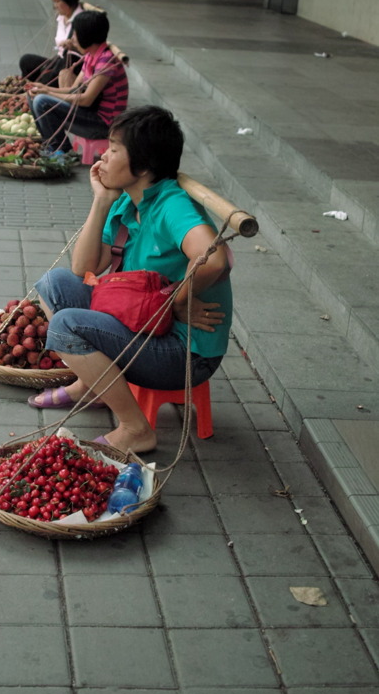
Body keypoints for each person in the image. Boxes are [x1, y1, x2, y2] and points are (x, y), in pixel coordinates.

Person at [30, 105, 231, 454]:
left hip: (184, 354)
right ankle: (89, 385)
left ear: (142, 166)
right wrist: (102, 199)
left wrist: (179, 303)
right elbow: (83, 269)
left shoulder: (171, 204)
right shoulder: (127, 203)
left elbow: (215, 259)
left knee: (66, 325)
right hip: (143, 324)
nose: (102, 157)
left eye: (113, 150)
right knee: (54, 283)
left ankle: (136, 429)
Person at [28, 9, 127, 153]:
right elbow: (72, 89)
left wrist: (47, 93)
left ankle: (61, 151)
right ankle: (56, 146)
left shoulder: (106, 61)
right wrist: (44, 88)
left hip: (104, 125)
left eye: (75, 34)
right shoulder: (91, 56)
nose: (72, 39)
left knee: (42, 101)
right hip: (91, 115)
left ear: (86, 37)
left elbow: (86, 100)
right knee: (34, 95)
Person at [19, 0, 83, 83]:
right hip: (59, 61)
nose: (55, 6)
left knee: (68, 59)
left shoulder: (82, 20)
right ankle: (32, 88)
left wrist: (75, 46)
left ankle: (37, 90)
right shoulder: (62, 17)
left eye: (57, 1)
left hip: (72, 68)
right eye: (54, 2)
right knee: (26, 61)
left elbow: (90, 51)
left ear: (69, 0)